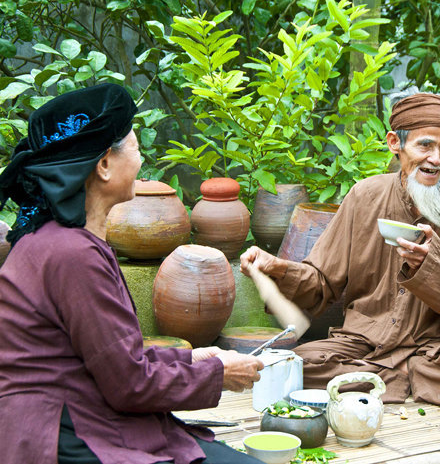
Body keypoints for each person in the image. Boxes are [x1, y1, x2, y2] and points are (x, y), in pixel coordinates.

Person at [0, 83, 264, 464]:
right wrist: (218, 375)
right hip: (58, 435)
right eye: (137, 149)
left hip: (70, 414)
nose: (142, 163)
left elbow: (112, 356)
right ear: (104, 164)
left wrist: (193, 360)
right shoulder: (70, 254)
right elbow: (128, 384)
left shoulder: (64, 241)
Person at [240, 89, 440, 406]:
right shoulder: (364, 196)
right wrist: (278, 267)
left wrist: (432, 269)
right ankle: (398, 380)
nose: (436, 159)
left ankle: (372, 380)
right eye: (425, 145)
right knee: (296, 363)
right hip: (363, 344)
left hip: (436, 349)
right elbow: (323, 282)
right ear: (396, 143)